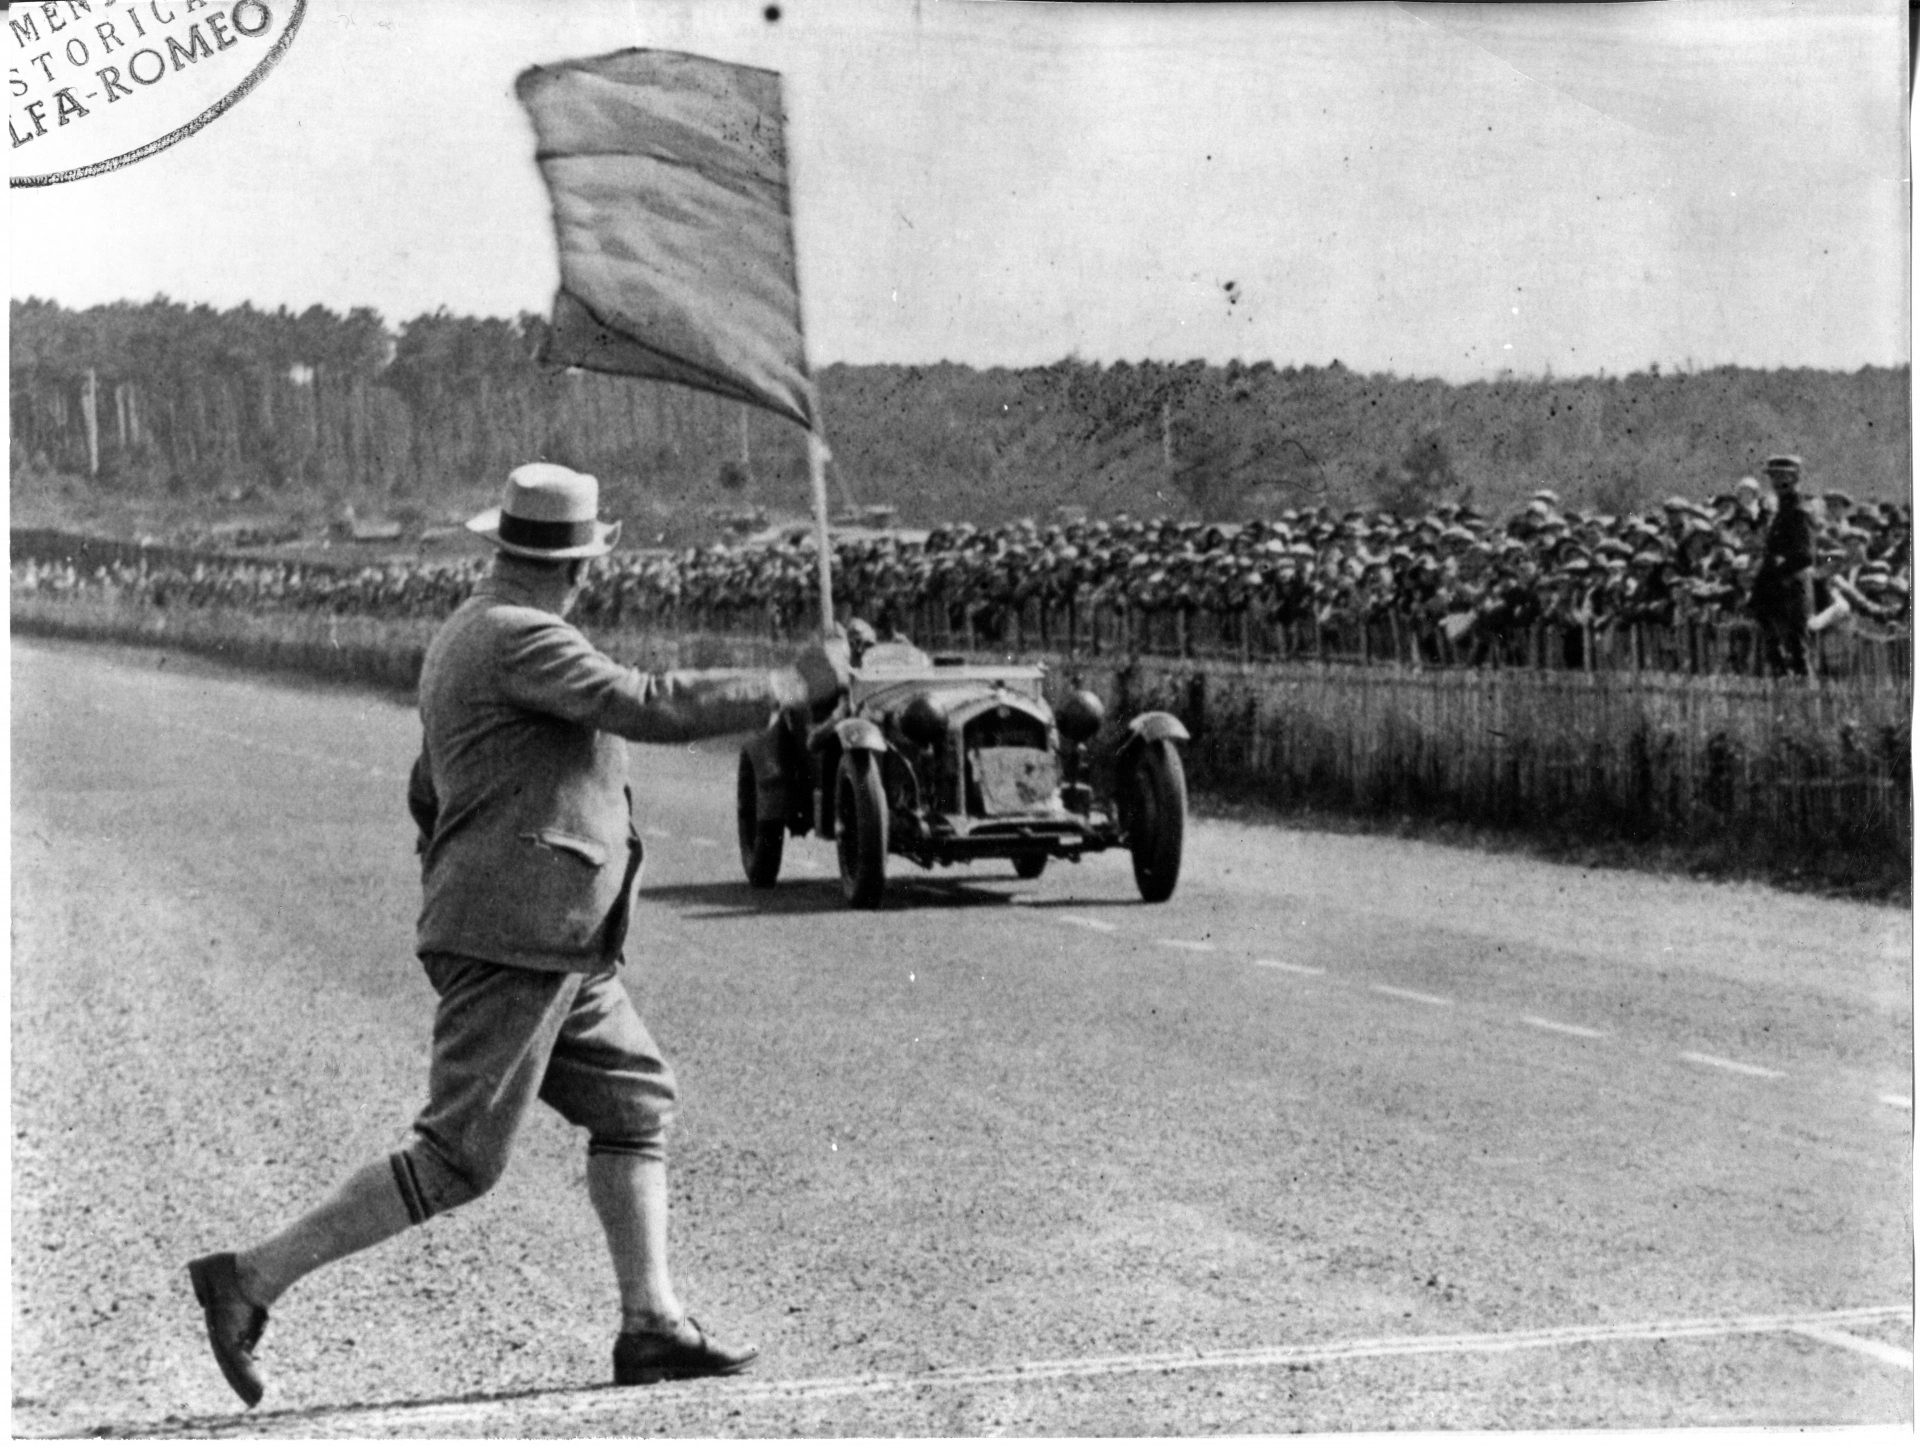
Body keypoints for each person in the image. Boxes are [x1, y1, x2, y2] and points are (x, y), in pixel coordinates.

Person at [187, 463, 850, 1407]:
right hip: (522, 936)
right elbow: (649, 701)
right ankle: (248, 1279)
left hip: (548, 933)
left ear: (504, 546)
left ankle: (652, 1324)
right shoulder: (519, 637)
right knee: (458, 1158)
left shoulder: (470, 635)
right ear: (577, 567)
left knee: (634, 1105)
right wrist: (790, 683)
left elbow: (428, 791)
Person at [1750, 454, 1816, 676]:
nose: (1778, 482)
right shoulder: (1779, 511)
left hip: (1792, 584)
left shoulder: (1799, 511)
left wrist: (1779, 568)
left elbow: (1806, 555)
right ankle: (1782, 687)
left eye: (1783, 477)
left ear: (1796, 478)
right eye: (1774, 477)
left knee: (1797, 645)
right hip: (1775, 584)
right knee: (1773, 640)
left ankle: (1804, 692)